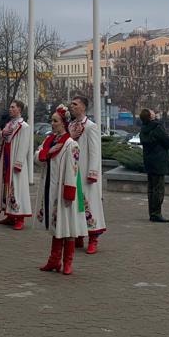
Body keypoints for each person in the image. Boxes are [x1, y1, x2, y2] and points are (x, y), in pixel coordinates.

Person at [37, 105, 88, 275]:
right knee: (56, 225)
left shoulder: (70, 144)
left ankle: (67, 262)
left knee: (68, 226)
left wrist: (69, 191)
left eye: (55, 121)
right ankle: (53, 260)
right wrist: (47, 152)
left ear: (63, 123)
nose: (52, 124)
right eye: (52, 120)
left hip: (64, 190)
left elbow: (73, 169)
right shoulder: (50, 140)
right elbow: (38, 156)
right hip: (50, 187)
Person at [68, 95, 106, 254]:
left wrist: (93, 172)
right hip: (73, 170)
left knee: (89, 203)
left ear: (83, 107)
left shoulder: (90, 126)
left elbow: (95, 151)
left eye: (75, 104)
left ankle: (93, 237)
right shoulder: (70, 126)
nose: (72, 106)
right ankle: (78, 235)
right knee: (75, 203)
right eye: (72, 104)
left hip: (85, 172)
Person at [138, 109, 169, 222]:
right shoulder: (157, 127)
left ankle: (152, 213)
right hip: (159, 162)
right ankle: (157, 214)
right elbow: (166, 141)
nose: (154, 112)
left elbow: (161, 139)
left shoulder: (143, 129)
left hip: (149, 162)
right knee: (159, 189)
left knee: (151, 189)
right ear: (150, 116)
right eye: (152, 112)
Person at [0, 100, 33, 230]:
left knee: (18, 188)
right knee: (7, 186)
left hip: (15, 161)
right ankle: (10, 214)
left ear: (19, 109)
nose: (10, 109)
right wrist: (2, 134)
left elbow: (24, 146)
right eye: (10, 107)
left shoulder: (24, 126)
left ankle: (20, 217)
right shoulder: (9, 124)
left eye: (13, 107)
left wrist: (18, 163)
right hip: (6, 158)